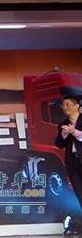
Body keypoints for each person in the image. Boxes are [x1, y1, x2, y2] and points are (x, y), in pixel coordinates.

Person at [56, 94, 82, 232]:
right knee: (80, 194)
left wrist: (75, 132)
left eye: (68, 105)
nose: (65, 108)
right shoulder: (63, 124)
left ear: (77, 106)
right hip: (72, 164)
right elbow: (59, 144)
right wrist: (64, 134)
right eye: (63, 105)